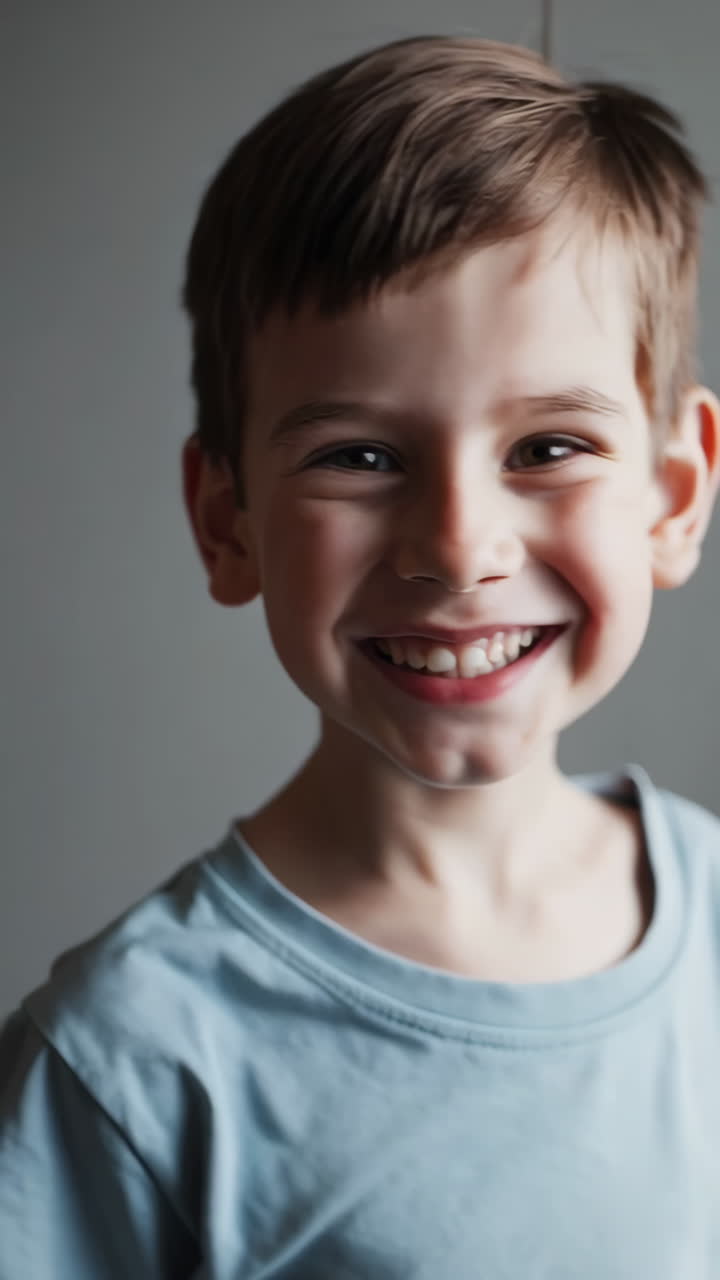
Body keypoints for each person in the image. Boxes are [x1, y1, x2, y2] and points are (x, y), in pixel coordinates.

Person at [2, 33, 720, 1278]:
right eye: (360, 457)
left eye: (548, 447)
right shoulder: (128, 1059)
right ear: (227, 523)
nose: (458, 548)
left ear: (673, 495)